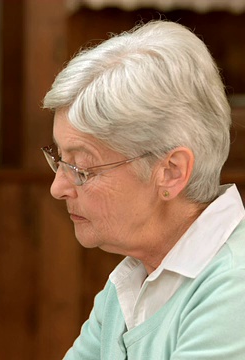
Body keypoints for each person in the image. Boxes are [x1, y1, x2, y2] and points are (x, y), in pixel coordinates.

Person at [41, 20, 245, 359]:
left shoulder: (235, 288)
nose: (58, 187)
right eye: (60, 160)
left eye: (83, 168)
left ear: (171, 172)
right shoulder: (130, 281)